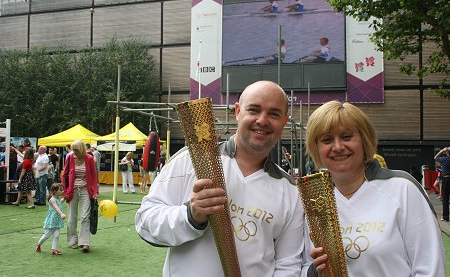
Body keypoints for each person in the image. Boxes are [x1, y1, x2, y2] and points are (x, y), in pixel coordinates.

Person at [136, 81, 307, 276]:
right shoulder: (192, 159)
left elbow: (288, 265)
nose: (262, 120)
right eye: (254, 110)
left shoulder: (291, 191)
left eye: (274, 114)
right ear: (238, 111)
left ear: (285, 121)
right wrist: (190, 216)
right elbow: (145, 222)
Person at [304, 101, 445, 276]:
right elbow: (305, 265)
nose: (338, 147)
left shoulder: (402, 188)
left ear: (364, 140)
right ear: (316, 147)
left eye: (346, 137)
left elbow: (430, 267)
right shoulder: (315, 202)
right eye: (327, 140)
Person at [62, 139, 98, 252]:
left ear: (82, 149)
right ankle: (73, 241)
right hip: (72, 190)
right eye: (73, 150)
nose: (74, 152)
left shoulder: (89, 159)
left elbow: (94, 176)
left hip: (85, 190)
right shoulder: (70, 157)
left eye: (76, 150)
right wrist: (65, 190)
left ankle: (84, 242)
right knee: (72, 217)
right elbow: (65, 174)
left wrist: (95, 191)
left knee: (85, 216)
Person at [35, 183, 66, 255]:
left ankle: (54, 249)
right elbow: (56, 207)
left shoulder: (57, 198)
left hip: (57, 221)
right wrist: (61, 214)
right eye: (61, 190)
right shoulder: (52, 199)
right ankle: (38, 244)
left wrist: (64, 198)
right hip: (52, 220)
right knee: (47, 235)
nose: (63, 191)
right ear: (54, 191)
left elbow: (59, 203)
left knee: (57, 235)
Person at [434, 147, 450, 221]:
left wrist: (442, 150)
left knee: (445, 199)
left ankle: (445, 217)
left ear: (447, 153)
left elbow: (435, 157)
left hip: (446, 179)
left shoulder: (445, 159)